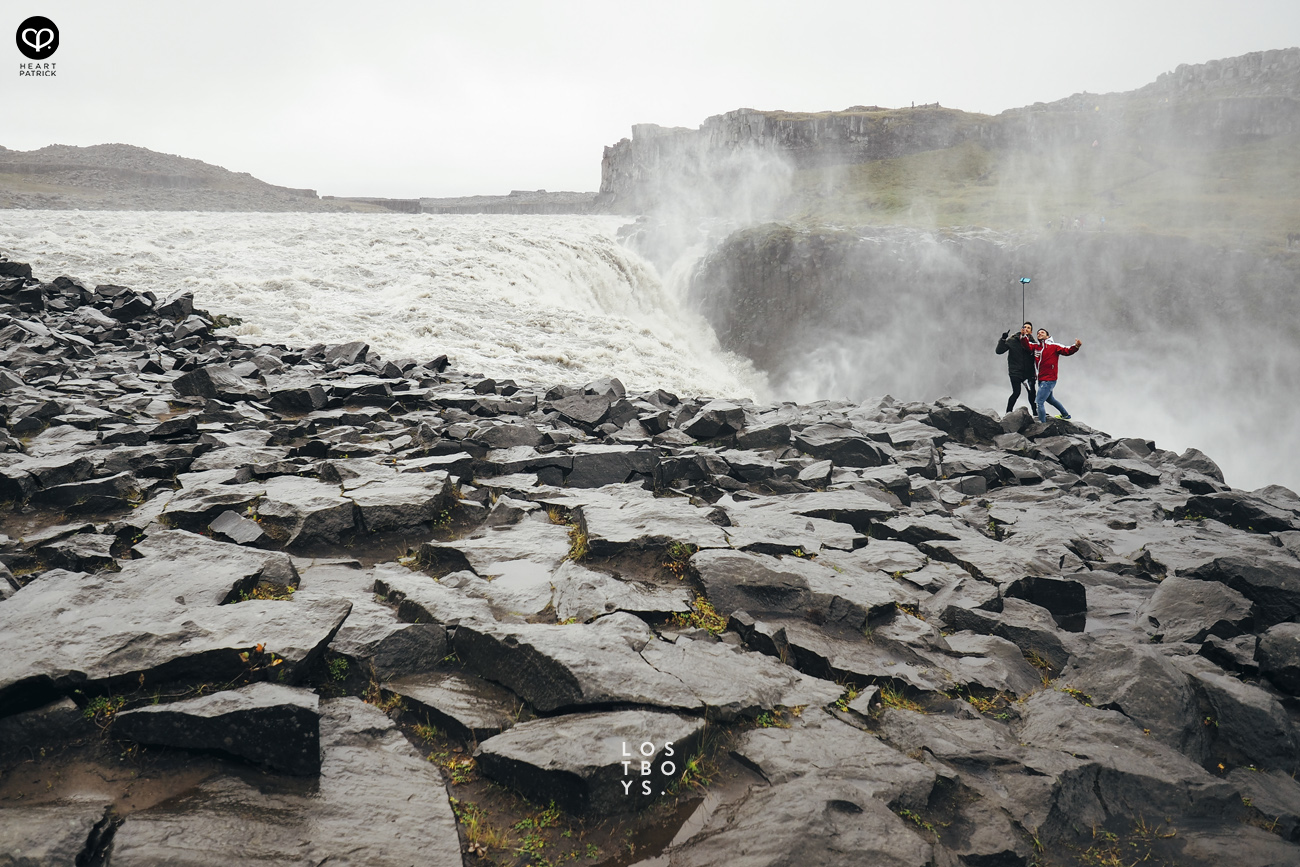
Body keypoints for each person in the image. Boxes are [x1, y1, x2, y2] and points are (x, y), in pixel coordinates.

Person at [1020, 327, 1081, 423]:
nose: (1039, 334)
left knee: (1039, 402)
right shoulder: (1036, 347)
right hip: (1041, 378)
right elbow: (1026, 345)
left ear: (1047, 336)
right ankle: (1065, 415)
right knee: (1050, 399)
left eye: (1042, 332)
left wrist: (1076, 346)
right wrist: (1023, 336)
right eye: (1038, 333)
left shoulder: (1054, 346)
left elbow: (1067, 350)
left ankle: (1042, 424)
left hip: (1049, 379)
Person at [996, 322, 1037, 414]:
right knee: (1016, 392)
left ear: (1031, 331)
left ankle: (1035, 413)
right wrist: (1003, 339)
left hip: (1029, 372)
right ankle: (1008, 412)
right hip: (1015, 371)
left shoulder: (1033, 343)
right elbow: (999, 351)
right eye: (1024, 327)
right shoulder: (1012, 340)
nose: (1026, 328)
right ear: (1021, 329)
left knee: (1032, 393)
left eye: (1028, 328)